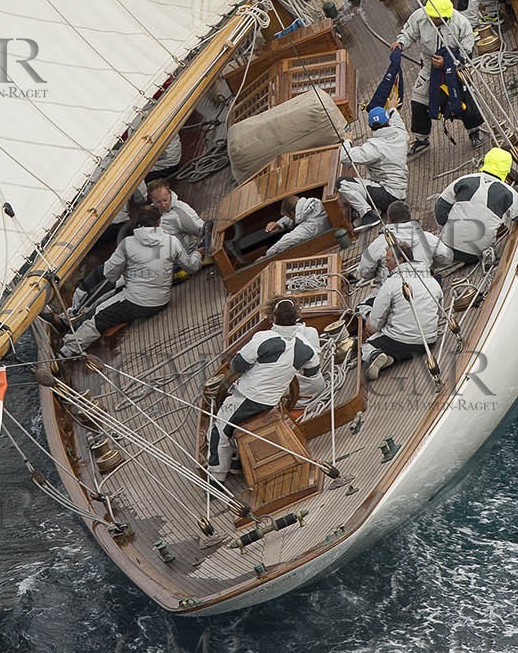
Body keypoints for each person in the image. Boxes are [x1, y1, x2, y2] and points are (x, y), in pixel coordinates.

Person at [55, 206, 201, 357]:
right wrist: (197, 253)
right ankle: (70, 321)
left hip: (137, 302)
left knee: (99, 315)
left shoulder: (127, 244)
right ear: (158, 222)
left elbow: (110, 274)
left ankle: (67, 351)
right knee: (114, 292)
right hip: (161, 300)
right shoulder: (171, 241)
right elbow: (192, 266)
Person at [205, 299, 326, 483]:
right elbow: (311, 373)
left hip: (248, 398)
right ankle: (237, 462)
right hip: (272, 401)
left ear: (273, 317)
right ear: (297, 317)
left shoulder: (263, 338)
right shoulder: (306, 347)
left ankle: (216, 478)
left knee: (219, 430)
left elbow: (238, 364)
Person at [435, 147, 518, 266]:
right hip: (473, 254)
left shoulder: (464, 180)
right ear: (507, 170)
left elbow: (440, 208)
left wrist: (445, 228)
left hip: (446, 244)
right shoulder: (510, 194)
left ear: (486, 162)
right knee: (503, 228)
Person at [393, 0, 484, 154]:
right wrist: (400, 43)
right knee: (418, 100)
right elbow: (408, 32)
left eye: (436, 18)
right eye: (431, 16)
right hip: (429, 66)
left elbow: (467, 52)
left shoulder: (461, 24)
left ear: (446, 16)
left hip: (455, 67)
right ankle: (421, 139)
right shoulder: (421, 16)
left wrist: (446, 62)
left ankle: (474, 131)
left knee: (464, 98)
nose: (432, 20)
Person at [357, 242, 444, 380]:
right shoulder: (431, 280)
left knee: (366, 348)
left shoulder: (392, 283)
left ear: (400, 260)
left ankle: (375, 355)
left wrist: (367, 318)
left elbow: (374, 325)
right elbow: (440, 313)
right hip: (429, 340)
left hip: (402, 341)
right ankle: (389, 358)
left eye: (388, 260)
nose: (386, 264)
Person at [335, 107, 409, 230]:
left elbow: (345, 158)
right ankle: (376, 208)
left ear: (370, 127)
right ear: (388, 121)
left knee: (342, 183)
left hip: (388, 194)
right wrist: (392, 108)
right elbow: (397, 120)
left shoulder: (374, 147)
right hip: (399, 191)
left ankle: (368, 215)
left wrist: (347, 140)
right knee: (366, 181)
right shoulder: (401, 133)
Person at [355, 200, 452, 280]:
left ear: (389, 219)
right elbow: (447, 258)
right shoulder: (427, 238)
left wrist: (379, 274)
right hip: (424, 284)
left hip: (392, 290)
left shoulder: (379, 243)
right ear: (409, 217)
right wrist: (430, 264)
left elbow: (364, 271)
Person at [147, 179, 205, 253]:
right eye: (158, 202)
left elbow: (201, 229)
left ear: (170, 193)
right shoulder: (150, 213)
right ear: (152, 199)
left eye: (165, 200)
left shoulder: (180, 212)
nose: (163, 205)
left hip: (183, 256)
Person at [262, 194, 329, 258]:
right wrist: (279, 224)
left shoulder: (308, 227)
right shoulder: (314, 203)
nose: (290, 218)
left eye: (289, 216)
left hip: (325, 243)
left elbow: (287, 240)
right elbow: (296, 216)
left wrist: (267, 255)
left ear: (292, 213)